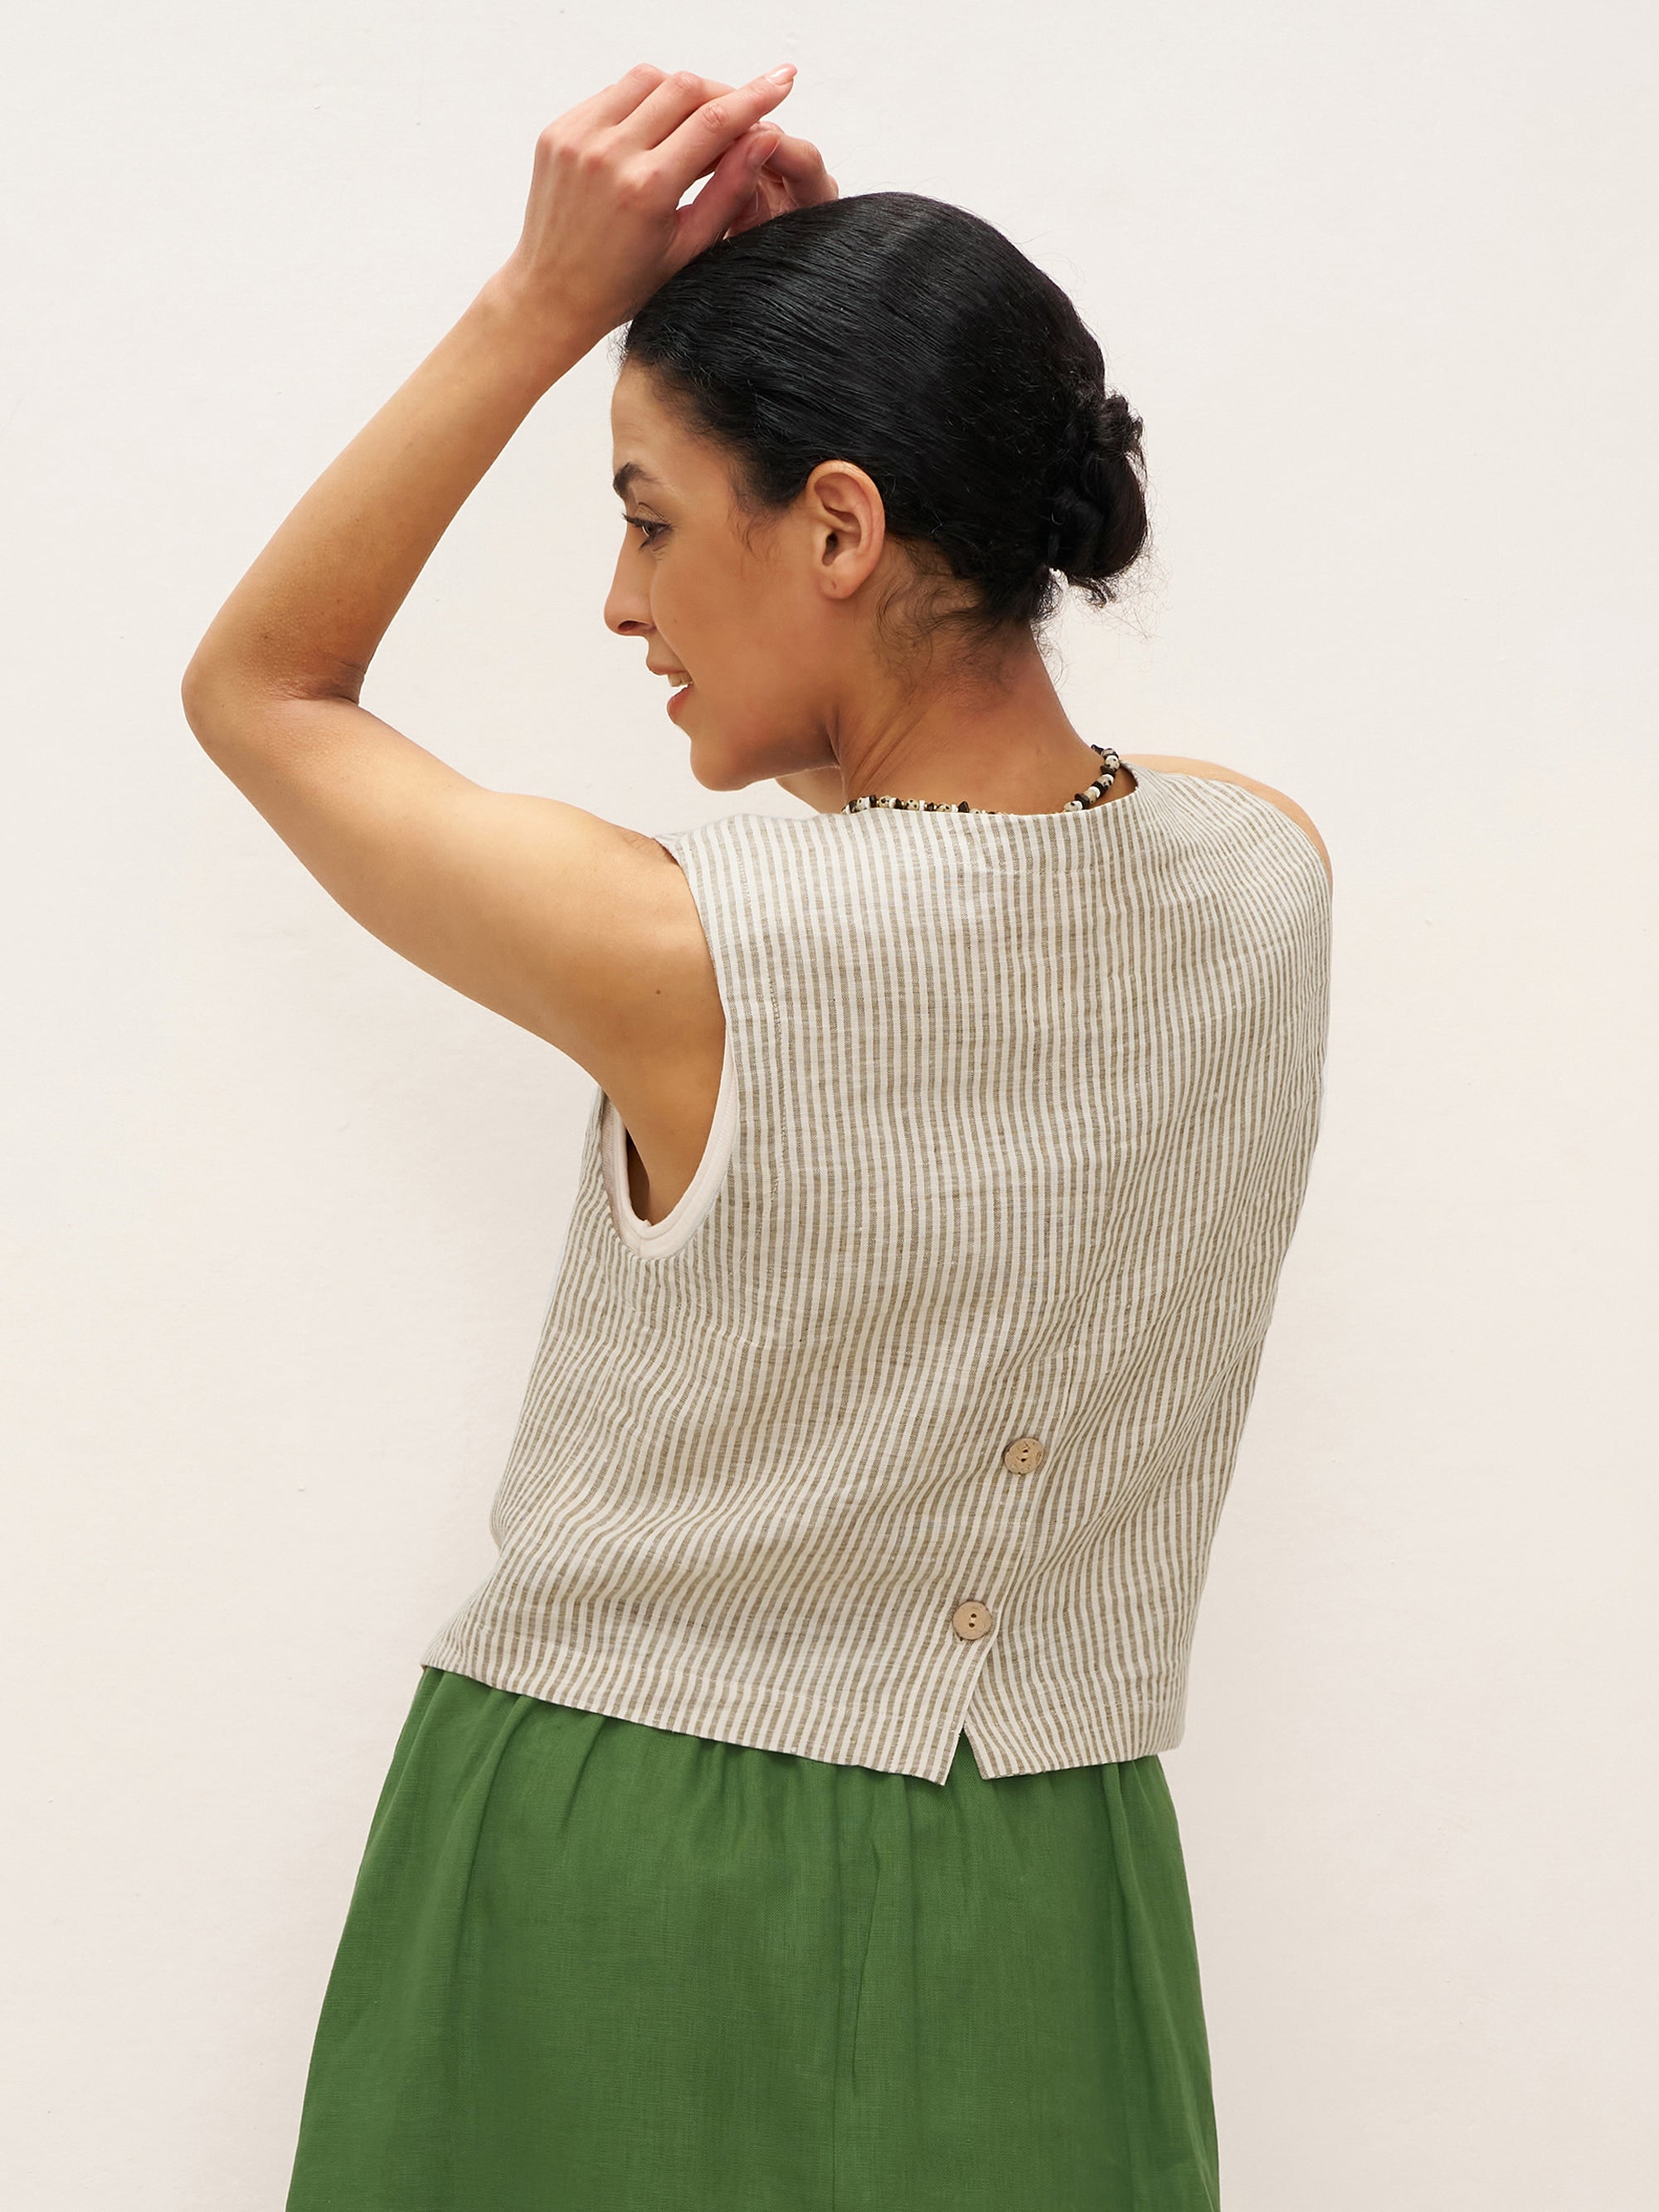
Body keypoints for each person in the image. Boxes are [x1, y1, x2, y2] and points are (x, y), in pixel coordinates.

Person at [182, 59, 1333, 2212]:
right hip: (1052, 1889)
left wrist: (547, 302)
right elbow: (952, 832)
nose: (623, 606)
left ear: (840, 527)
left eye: (645, 516)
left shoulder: (684, 954)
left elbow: (264, 689)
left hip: (624, 1875)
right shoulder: (1263, 877)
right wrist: (832, 333)